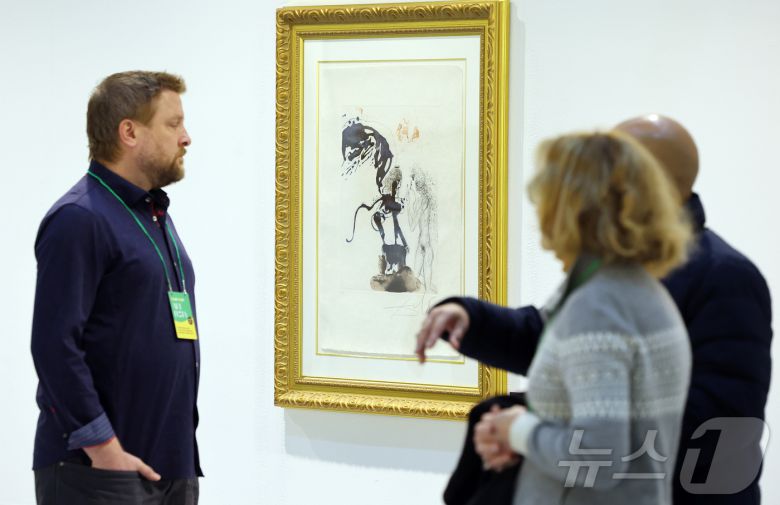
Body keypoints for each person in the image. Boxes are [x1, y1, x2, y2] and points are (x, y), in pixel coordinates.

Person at [416, 115, 773, 505]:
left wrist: (527, 434)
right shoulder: (617, 275)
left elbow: (716, 426)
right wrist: (472, 319)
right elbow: (558, 342)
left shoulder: (721, 276)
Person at [30, 71, 201, 505]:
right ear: (129, 132)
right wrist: (104, 451)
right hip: (97, 473)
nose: (186, 138)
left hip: (170, 466)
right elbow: (53, 347)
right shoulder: (78, 218)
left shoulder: (153, 214)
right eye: (173, 124)